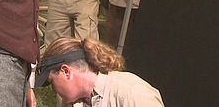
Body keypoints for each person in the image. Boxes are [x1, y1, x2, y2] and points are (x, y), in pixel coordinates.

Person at [35, 37, 164, 106]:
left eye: (52, 82)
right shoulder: (75, 103)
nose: (54, 91)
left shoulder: (131, 92)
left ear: (66, 72)